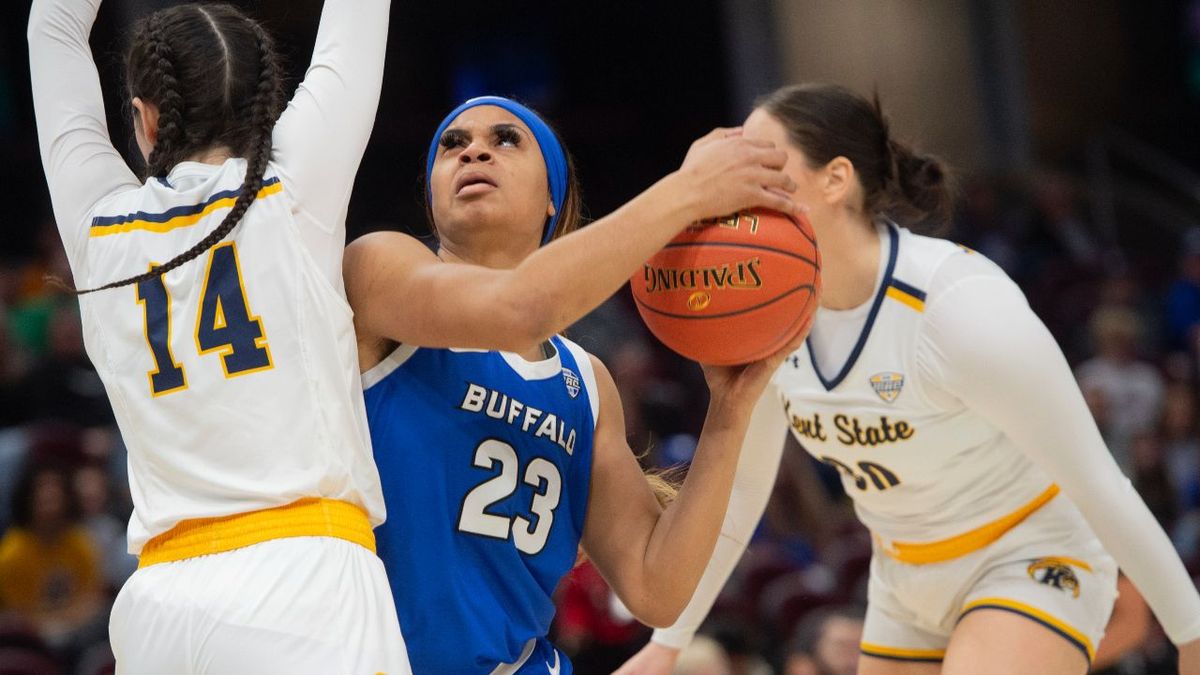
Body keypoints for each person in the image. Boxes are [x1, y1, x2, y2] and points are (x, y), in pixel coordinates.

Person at [615, 84, 1200, 675]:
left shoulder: (956, 305)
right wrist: (667, 643)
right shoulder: (765, 321)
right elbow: (741, 495)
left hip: (1027, 552)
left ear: (835, 180)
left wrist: (1191, 634)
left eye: (763, 159)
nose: (738, 177)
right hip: (903, 577)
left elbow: (1097, 479)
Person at [345, 95, 804, 673]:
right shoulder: (377, 267)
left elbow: (656, 587)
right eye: (452, 145)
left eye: (505, 139)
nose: (473, 151)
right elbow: (517, 310)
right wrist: (689, 191)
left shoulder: (585, 382)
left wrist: (729, 411)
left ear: (551, 200)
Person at [28, 0, 410, 671]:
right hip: (305, 584)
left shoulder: (99, 225)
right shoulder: (293, 190)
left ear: (144, 118)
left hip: (161, 605)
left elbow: (51, 27)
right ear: (266, 109)